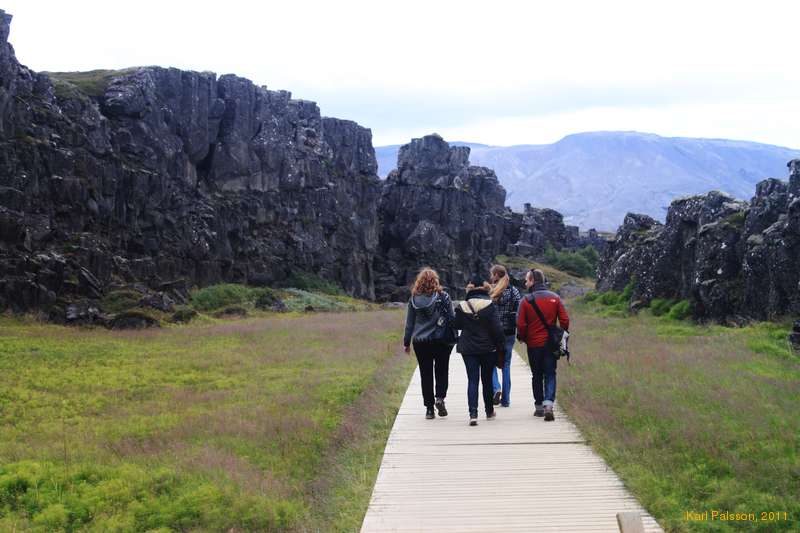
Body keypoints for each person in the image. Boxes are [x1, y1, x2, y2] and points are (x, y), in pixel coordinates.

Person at [516, 268, 570, 421]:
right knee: (550, 373)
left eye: (527, 280)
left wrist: (523, 337)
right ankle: (548, 405)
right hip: (551, 344)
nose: (525, 283)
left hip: (533, 344)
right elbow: (565, 320)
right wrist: (560, 334)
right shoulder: (555, 298)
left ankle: (539, 407)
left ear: (533, 281)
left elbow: (521, 324)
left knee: (537, 375)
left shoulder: (526, 301)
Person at [403, 268, 456, 419]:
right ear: (435, 281)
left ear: (419, 282)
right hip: (441, 341)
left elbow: (409, 324)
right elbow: (451, 318)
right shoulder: (443, 296)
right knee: (442, 370)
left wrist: (407, 342)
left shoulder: (413, 299)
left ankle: (429, 409)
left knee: (425, 374)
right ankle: (440, 398)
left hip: (421, 342)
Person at [452, 275, 505, 426]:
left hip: (468, 348)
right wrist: (501, 347)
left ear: (470, 288)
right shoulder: (489, 304)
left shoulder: (463, 305)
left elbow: (456, 325)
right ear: (484, 287)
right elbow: (497, 329)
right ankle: (489, 411)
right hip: (487, 348)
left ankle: (473, 414)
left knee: (472, 380)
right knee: (487, 380)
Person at [489, 264, 522, 407]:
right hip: (509, 332)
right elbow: (518, 312)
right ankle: (506, 400)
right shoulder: (514, 291)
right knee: (506, 365)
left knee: (490, 364)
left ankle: (496, 388)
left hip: (493, 333)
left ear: (496, 275)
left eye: (492, 274)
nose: (491, 277)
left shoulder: (491, 291)